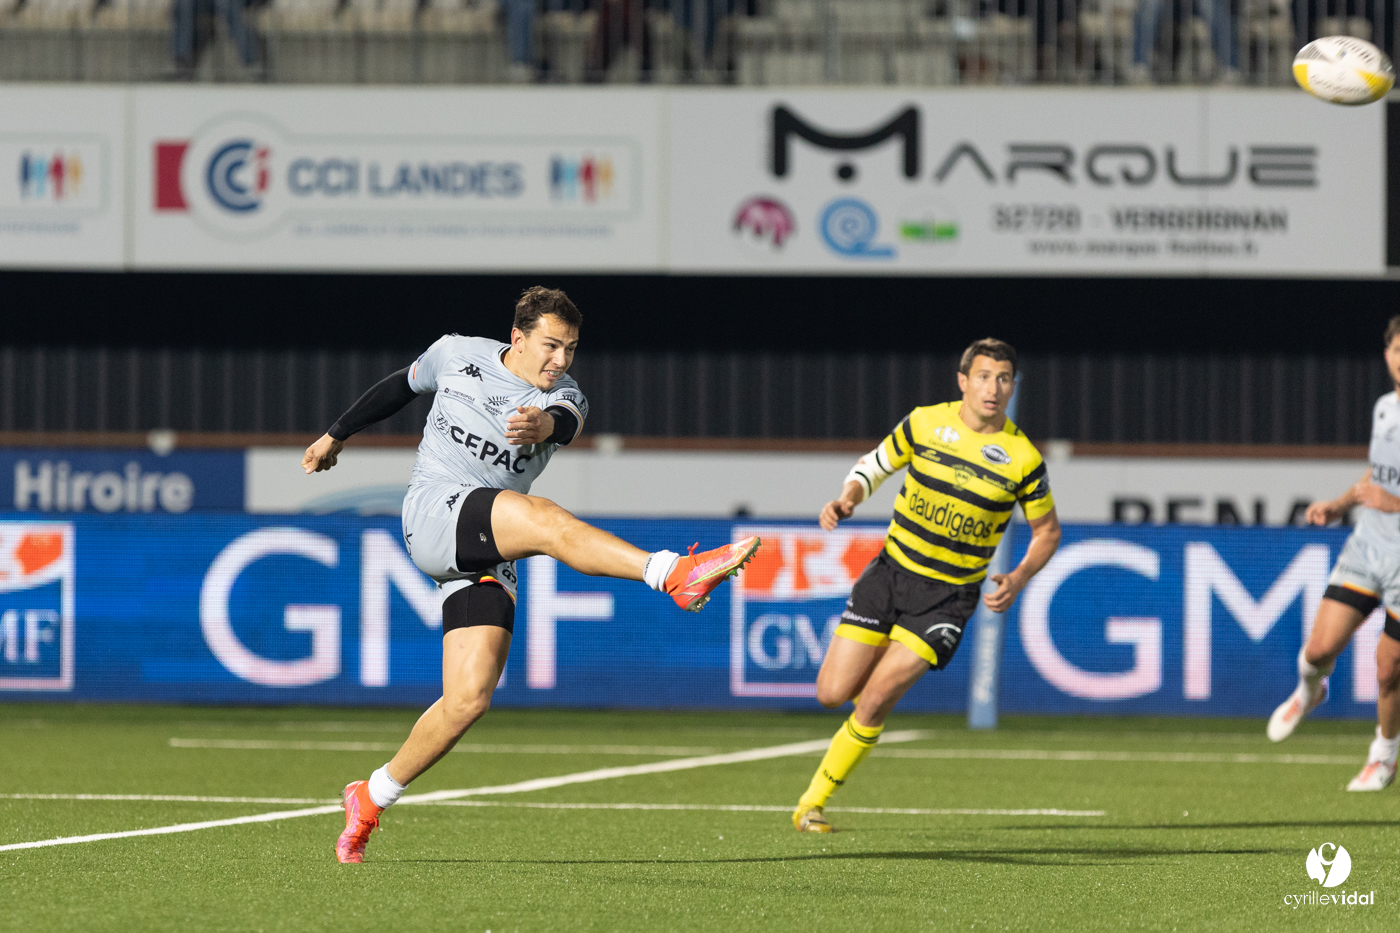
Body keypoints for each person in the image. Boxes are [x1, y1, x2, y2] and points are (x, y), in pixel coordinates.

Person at [302, 287, 761, 862]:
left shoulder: (566, 396)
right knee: (546, 521)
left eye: (570, 349)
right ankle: (673, 573)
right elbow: (400, 385)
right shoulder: (456, 353)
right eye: (551, 346)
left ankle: (370, 796)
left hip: (486, 552)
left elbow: (561, 422)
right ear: (517, 338)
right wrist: (334, 435)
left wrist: (542, 424)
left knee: (467, 701)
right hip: (434, 511)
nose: (561, 361)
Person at [790, 338, 1062, 833]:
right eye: (983, 376)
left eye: (1003, 379)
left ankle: (812, 804)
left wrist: (1019, 577)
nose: (992, 388)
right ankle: (856, 716)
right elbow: (873, 465)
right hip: (890, 575)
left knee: (875, 699)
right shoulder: (924, 423)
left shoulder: (1022, 459)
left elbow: (1048, 532)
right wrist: (848, 496)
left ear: (1012, 387)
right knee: (832, 694)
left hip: (948, 599)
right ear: (963, 381)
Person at [1266, 316, 1400, 792]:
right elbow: (1378, 477)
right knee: (1320, 648)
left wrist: (1396, 503)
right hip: (1370, 545)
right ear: (1387, 355)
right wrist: (1339, 504)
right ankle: (1309, 692)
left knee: (1388, 668)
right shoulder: (1385, 408)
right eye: (1397, 350)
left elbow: (1391, 493)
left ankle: (1383, 755)